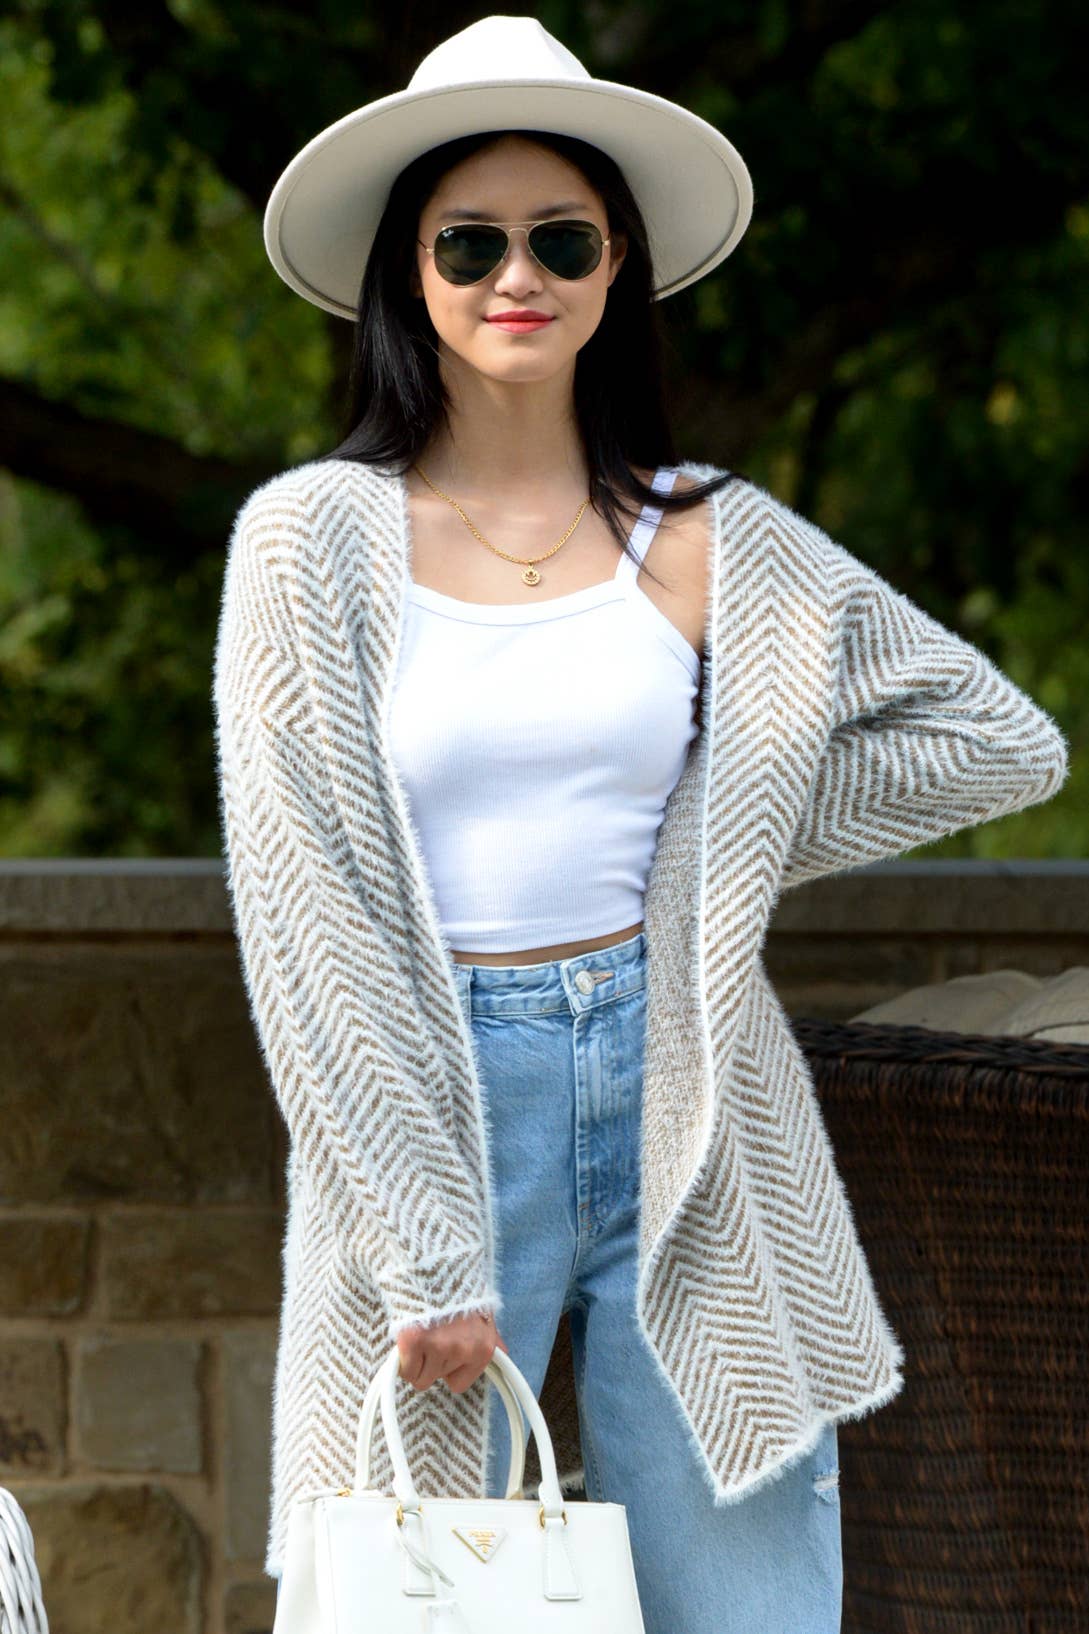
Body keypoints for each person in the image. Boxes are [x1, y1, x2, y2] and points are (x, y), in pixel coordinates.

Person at [214, 17, 1069, 1634]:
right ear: (408, 272)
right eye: (467, 242)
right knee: (418, 1592)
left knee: (745, 1596)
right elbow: (307, 914)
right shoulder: (309, 542)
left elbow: (992, 740)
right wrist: (423, 1244)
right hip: (440, 1097)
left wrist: (705, 860)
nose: (514, 275)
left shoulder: (707, 535)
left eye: (560, 239)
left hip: (688, 1084)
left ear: (616, 267)